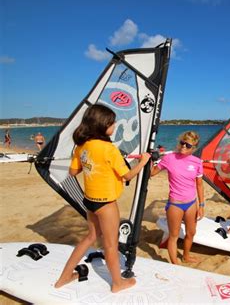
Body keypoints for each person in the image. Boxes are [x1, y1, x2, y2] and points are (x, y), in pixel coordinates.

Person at [54, 104, 150, 293]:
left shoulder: (82, 146)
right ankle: (117, 283)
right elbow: (128, 176)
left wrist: (88, 165)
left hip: (89, 200)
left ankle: (64, 277)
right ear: (102, 125)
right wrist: (144, 161)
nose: (114, 126)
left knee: (90, 237)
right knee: (111, 245)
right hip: (105, 203)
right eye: (112, 123)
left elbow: (73, 171)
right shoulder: (109, 148)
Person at [151, 131, 204, 264]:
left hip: (191, 203)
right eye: (182, 143)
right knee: (174, 236)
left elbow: (199, 185)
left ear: (194, 148)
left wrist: (201, 205)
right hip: (175, 204)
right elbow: (151, 173)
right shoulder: (169, 158)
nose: (184, 147)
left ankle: (186, 256)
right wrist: (150, 159)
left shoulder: (197, 162)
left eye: (188, 145)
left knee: (191, 233)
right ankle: (175, 263)